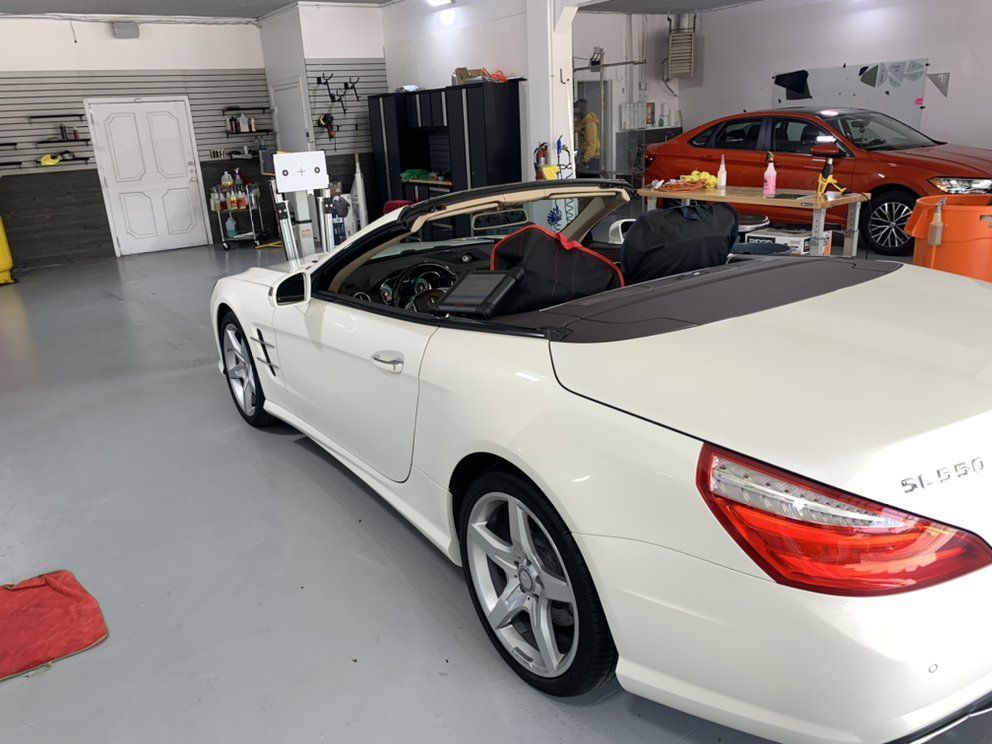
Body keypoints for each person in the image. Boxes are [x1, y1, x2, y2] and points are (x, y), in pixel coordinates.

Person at [574, 98, 601, 168]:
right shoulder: (581, 122)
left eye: (575, 108)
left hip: (591, 158)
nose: (574, 111)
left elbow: (592, 144)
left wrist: (584, 160)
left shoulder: (590, 123)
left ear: (581, 109)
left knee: (589, 178)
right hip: (584, 155)